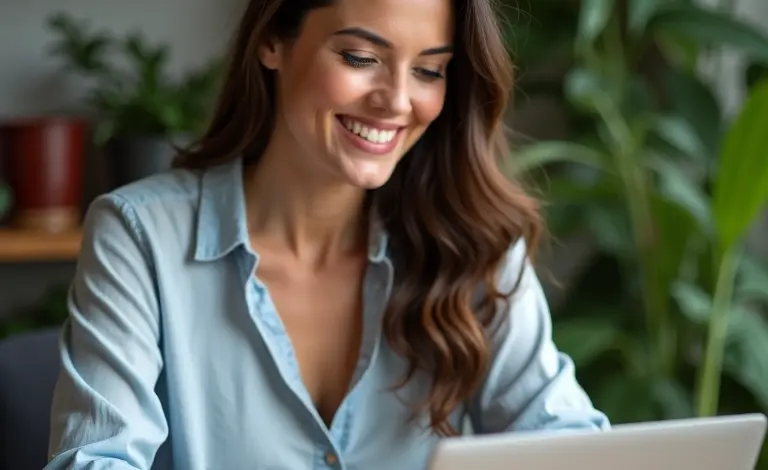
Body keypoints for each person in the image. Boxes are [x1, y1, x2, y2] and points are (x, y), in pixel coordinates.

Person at [45, 0, 609, 468]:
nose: (396, 100)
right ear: (273, 42)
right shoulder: (141, 236)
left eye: (429, 70)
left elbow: (571, 443)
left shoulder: (474, 244)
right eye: (361, 57)